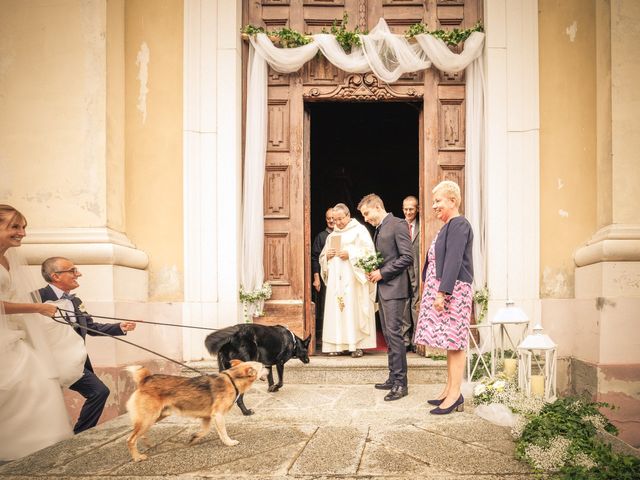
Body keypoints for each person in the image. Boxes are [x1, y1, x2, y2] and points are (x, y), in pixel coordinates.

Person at [0, 205, 86, 461]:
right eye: (15, 226)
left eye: (24, 227)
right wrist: (36, 307)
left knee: (40, 381)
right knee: (26, 383)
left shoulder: (6, 259)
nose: (22, 233)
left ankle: (33, 446)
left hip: (12, 334)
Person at [39, 257, 137, 433]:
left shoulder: (75, 301)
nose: (79, 274)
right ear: (56, 276)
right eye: (72, 270)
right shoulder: (36, 298)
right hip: (45, 363)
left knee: (99, 392)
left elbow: (89, 327)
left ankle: (79, 434)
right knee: (45, 402)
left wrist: (119, 327)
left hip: (75, 362)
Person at [413, 180, 473, 415]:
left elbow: (454, 260)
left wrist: (442, 292)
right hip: (446, 289)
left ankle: (455, 394)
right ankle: (449, 389)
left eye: (438, 201)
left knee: (456, 343)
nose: (434, 206)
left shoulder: (459, 225)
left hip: (454, 291)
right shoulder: (448, 225)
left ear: (453, 200)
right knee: (450, 342)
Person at [358, 194, 413, 401]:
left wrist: (383, 272)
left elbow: (407, 257)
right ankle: (393, 377)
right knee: (389, 337)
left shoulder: (398, 224)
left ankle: (401, 384)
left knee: (395, 336)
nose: (366, 219)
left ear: (378, 207)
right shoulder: (380, 228)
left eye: (367, 213)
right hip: (384, 289)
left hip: (396, 289)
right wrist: (374, 269)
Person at [319, 203, 376, 358]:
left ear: (348, 215)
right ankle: (336, 345)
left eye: (340, 219)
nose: (337, 223)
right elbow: (322, 258)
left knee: (352, 310)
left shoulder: (360, 231)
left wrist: (350, 253)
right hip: (335, 284)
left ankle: (355, 345)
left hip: (353, 281)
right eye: (334, 219)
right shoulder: (332, 235)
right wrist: (327, 257)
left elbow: (370, 254)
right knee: (336, 310)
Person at [311, 208, 335, 342]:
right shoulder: (321, 236)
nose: (331, 221)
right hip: (325, 278)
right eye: (328, 218)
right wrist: (316, 278)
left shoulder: (345, 235)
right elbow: (314, 257)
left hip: (342, 278)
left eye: (333, 218)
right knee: (325, 307)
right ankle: (325, 337)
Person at [401, 195, 420, 352]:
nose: (408, 212)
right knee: (404, 303)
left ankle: (417, 339)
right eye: (405, 209)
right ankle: (405, 339)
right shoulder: (399, 226)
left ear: (417, 209)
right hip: (401, 270)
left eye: (411, 209)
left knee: (416, 302)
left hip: (417, 269)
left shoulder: (423, 225)